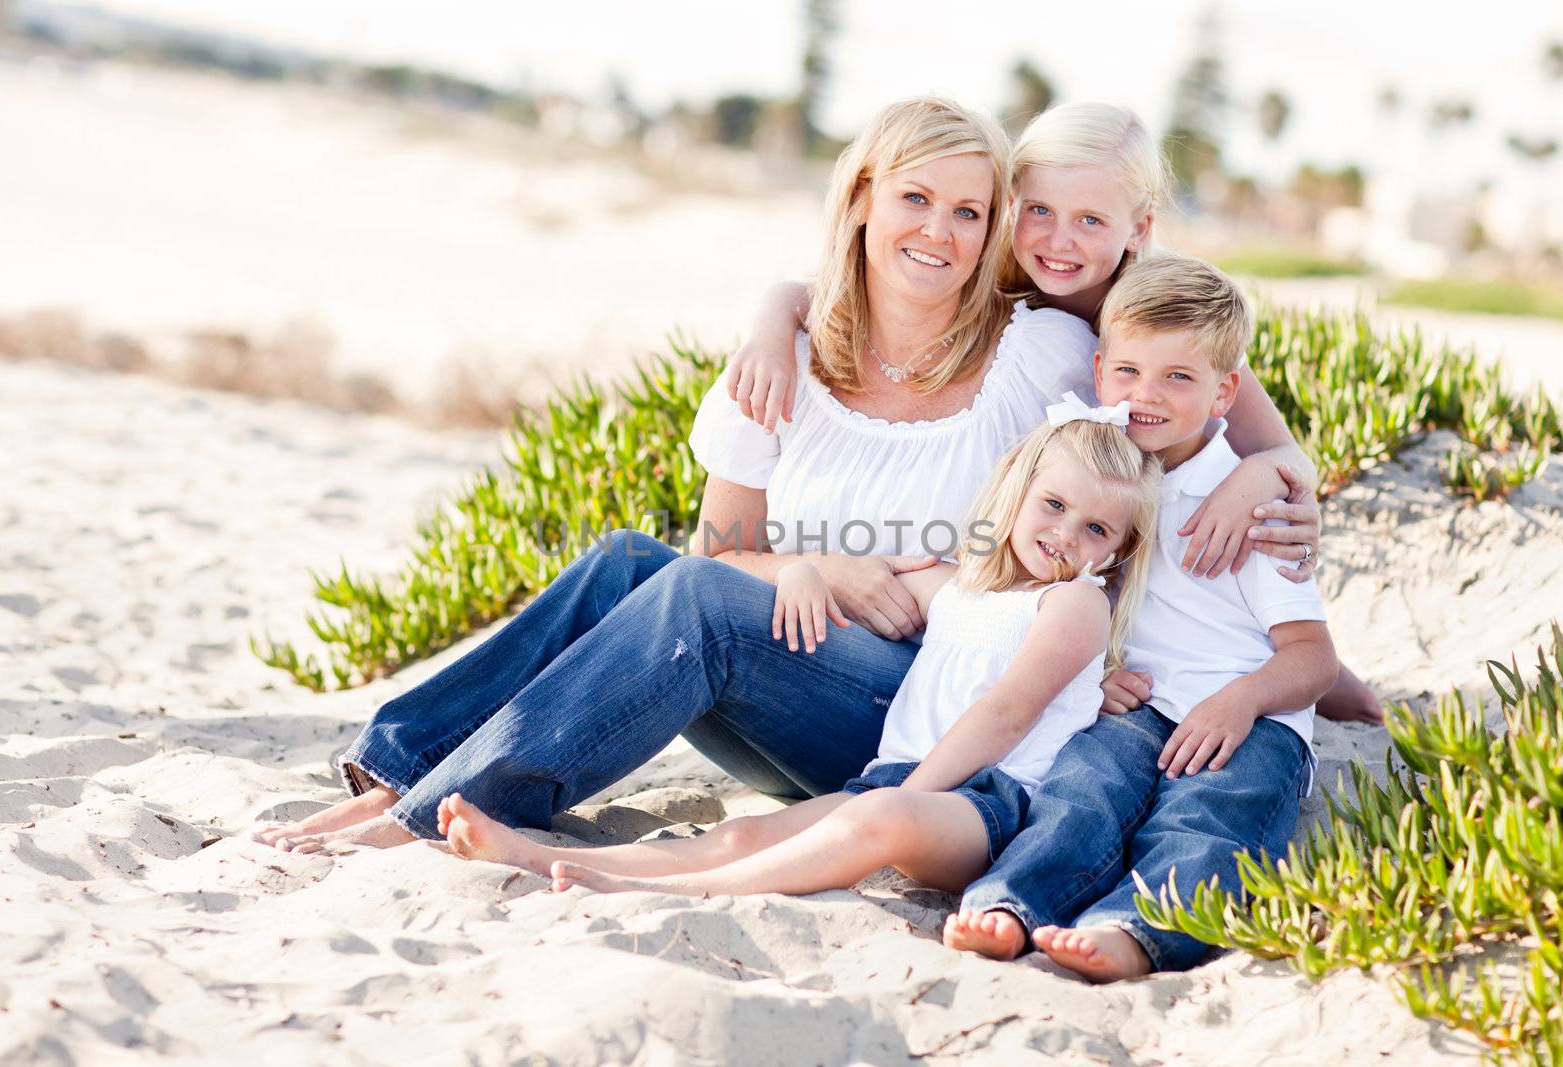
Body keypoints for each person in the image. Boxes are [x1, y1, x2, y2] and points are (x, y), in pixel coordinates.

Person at [251, 95, 1102, 853]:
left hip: (930, 713)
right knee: (628, 562)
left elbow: (1159, 373)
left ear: (993, 231)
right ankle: (401, 771)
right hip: (788, 696)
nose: (939, 231)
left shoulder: (1038, 357)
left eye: (968, 211)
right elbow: (724, 552)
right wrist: (824, 574)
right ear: (860, 201)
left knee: (700, 600)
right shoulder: (786, 364)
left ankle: (440, 812)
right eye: (914, 198)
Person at [724, 101, 1379, 723]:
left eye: (1091, 220)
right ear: (1011, 205)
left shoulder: (1154, 315)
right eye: (1038, 210)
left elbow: (1278, 447)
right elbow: (845, 290)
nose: (1059, 241)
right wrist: (772, 315)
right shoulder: (995, 281)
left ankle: (1328, 676)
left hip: (1151, 512)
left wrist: (1262, 477)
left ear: (1138, 228)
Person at [432, 412, 1164, 899]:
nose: (1068, 535)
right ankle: (554, 862)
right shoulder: (965, 585)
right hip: (894, 779)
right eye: (1055, 506)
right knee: (743, 832)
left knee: (875, 825)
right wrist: (804, 569)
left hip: (983, 799)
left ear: (1118, 550)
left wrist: (906, 789)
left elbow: (1008, 712)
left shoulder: (1074, 603)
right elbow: (880, 571)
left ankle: (652, 889)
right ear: (1019, 490)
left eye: (1097, 528)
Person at [943, 254, 1339, 980]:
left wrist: (1241, 700)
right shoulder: (1104, 479)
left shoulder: (1254, 503)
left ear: (1226, 392)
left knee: (1208, 818)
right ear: (1099, 372)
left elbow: (1315, 658)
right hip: (1138, 704)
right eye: (1127, 372)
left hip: (1249, 720)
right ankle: (1011, 903)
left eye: (1177, 378)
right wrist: (1106, 672)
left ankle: (1134, 929)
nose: (1145, 396)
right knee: (1080, 790)